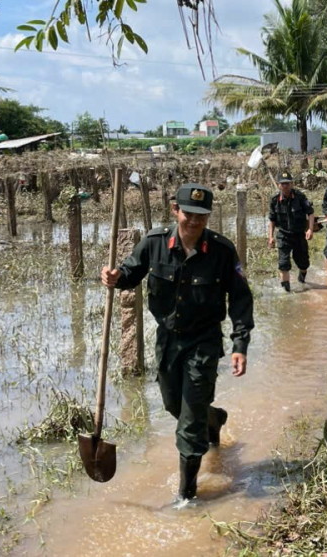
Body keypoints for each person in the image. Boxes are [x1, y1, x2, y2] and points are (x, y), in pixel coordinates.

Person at [100, 184, 254, 508]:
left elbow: (241, 298)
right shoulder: (154, 244)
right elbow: (131, 272)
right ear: (175, 211)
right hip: (168, 339)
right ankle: (213, 420)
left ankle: (186, 497)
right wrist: (115, 276)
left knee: (188, 423)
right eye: (189, 214)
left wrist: (240, 343)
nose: (194, 222)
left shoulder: (222, 252)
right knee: (175, 406)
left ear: (208, 216)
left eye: (201, 216)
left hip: (204, 340)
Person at [267, 171, 315, 292]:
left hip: (299, 235)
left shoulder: (300, 197)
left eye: (287, 183)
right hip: (283, 235)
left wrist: (310, 229)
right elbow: (272, 220)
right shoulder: (274, 200)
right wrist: (271, 237)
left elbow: (310, 213)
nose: (285, 186)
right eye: (282, 184)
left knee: (303, 263)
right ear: (278, 185)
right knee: (283, 264)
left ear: (292, 184)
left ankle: (302, 279)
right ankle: (286, 292)